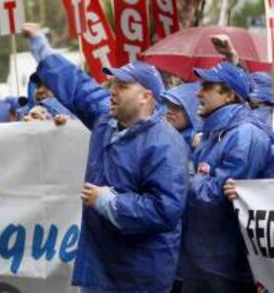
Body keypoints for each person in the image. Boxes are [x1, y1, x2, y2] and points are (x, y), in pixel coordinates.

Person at [24, 23, 189, 292]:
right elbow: (77, 87)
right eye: (113, 83)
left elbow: (165, 210)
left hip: (139, 275)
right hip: (100, 268)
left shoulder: (165, 143)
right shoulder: (106, 119)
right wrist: (41, 48)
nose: (112, 90)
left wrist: (108, 201)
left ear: (146, 97)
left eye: (122, 86)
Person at [179, 62, 272, 293]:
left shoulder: (245, 135)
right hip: (203, 261)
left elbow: (213, 198)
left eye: (208, 86)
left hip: (226, 268)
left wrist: (185, 178)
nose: (198, 92)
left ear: (229, 95)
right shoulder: (215, 133)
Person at [161, 82, 201, 148]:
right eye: (168, 105)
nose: (169, 111)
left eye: (176, 107)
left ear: (192, 112)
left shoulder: (201, 144)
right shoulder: (156, 134)